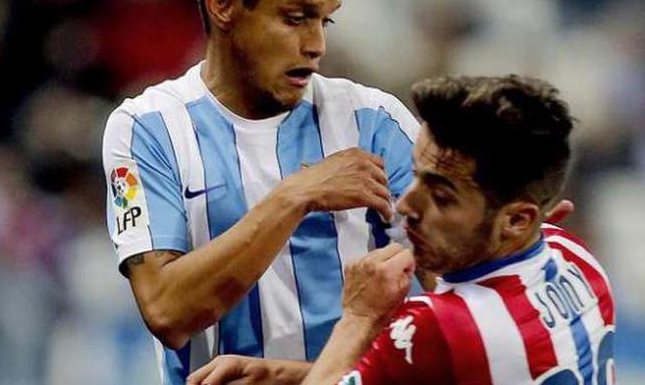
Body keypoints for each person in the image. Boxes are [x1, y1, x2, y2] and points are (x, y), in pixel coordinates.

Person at [102, 0, 419, 385]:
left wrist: (291, 377)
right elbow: (167, 311)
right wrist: (297, 194)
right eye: (295, 17)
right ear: (223, 6)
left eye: (325, 20)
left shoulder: (375, 122)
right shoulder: (148, 128)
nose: (317, 45)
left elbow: (448, 305)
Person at [188, 75, 615, 385]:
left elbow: (438, 354)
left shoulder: (441, 325)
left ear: (518, 219)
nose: (407, 204)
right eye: (415, 175)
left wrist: (358, 317)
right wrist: (279, 374)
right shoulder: (574, 256)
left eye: (443, 196)